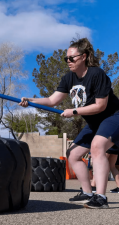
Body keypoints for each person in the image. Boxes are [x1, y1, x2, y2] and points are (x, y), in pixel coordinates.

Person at [19, 37, 119, 209]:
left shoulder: (96, 74)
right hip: (94, 123)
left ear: (84, 57)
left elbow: (101, 106)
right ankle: (87, 193)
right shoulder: (69, 78)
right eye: (66, 58)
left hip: (113, 117)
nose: (68, 61)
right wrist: (30, 100)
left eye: (71, 58)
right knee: (72, 154)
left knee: (97, 146)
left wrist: (74, 111)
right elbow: (52, 100)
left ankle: (101, 197)